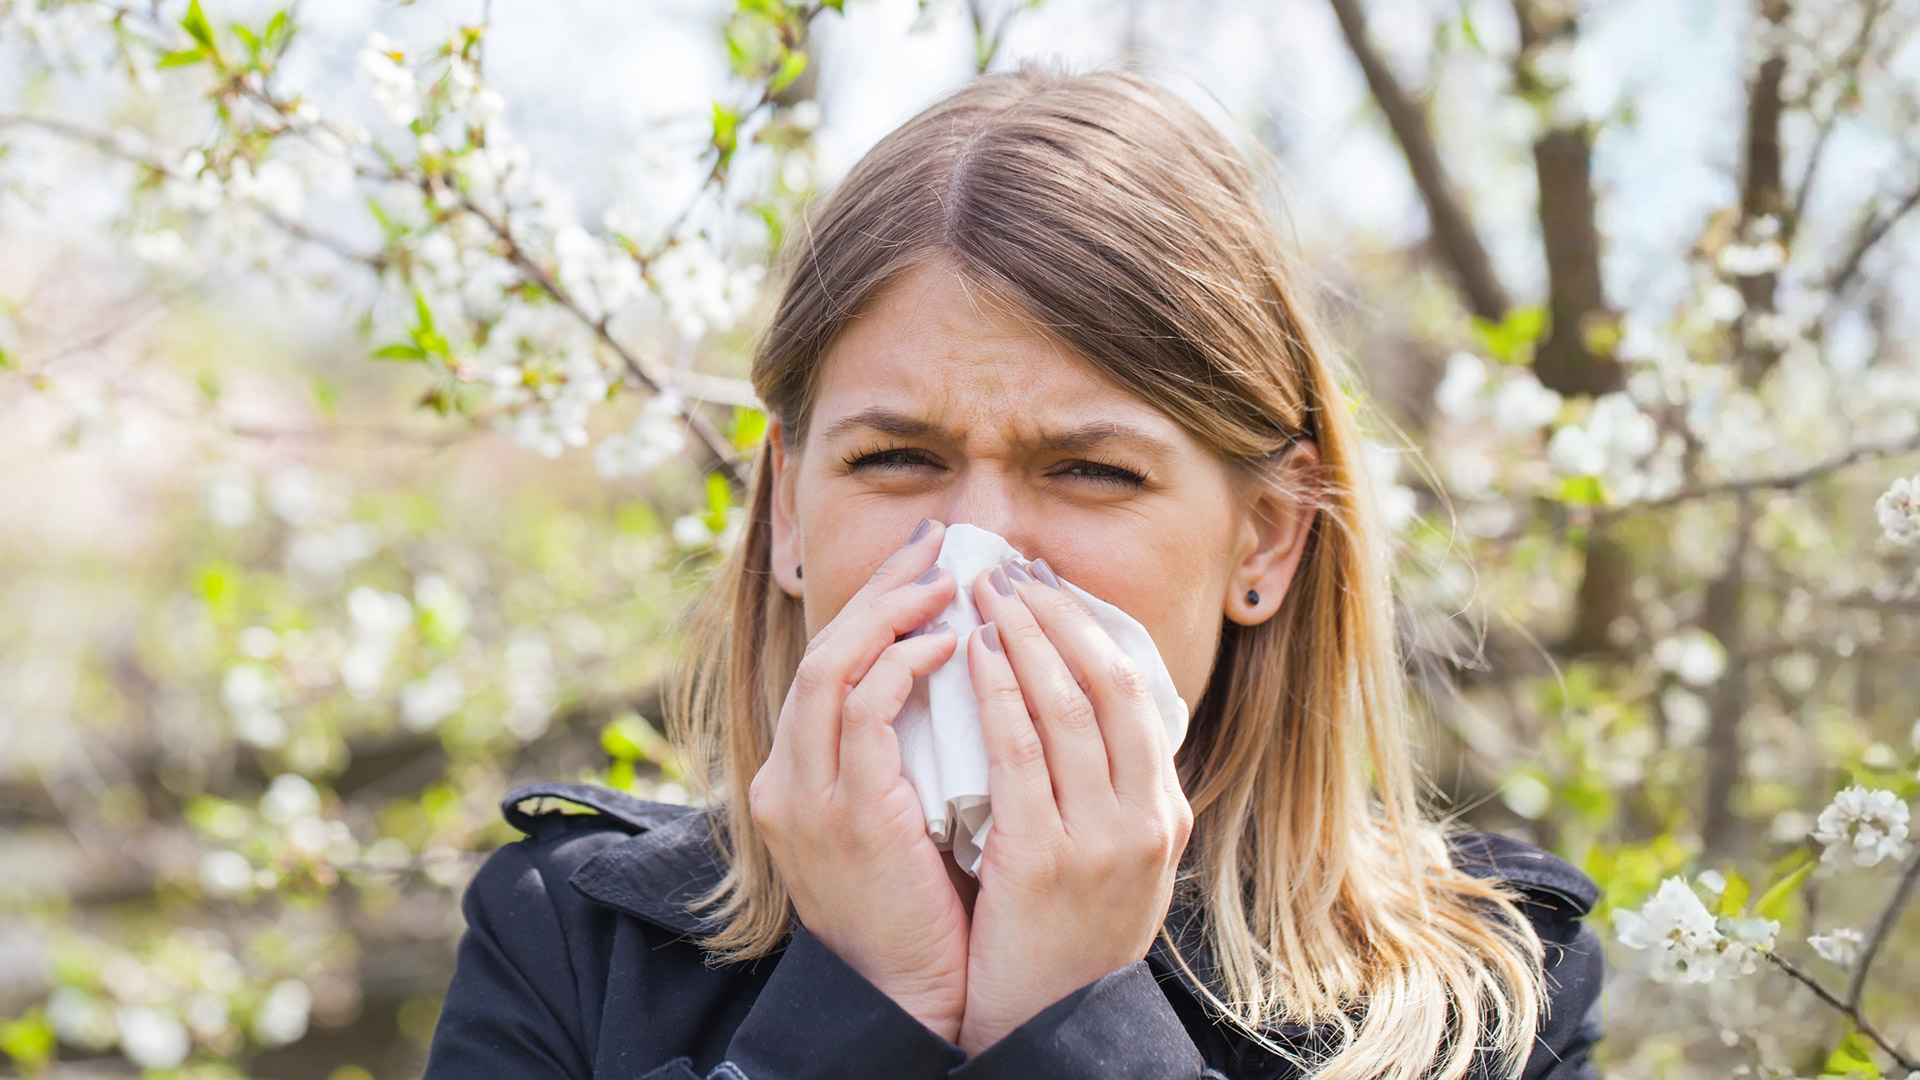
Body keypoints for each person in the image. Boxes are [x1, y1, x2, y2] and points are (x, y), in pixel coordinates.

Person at [421, 65, 1603, 1080]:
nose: (974, 554)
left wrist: (1079, 1018)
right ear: (787, 509)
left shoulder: (1489, 998)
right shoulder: (567, 941)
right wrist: (861, 1006)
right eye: (896, 459)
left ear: (1266, 537)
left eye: (1090, 470)